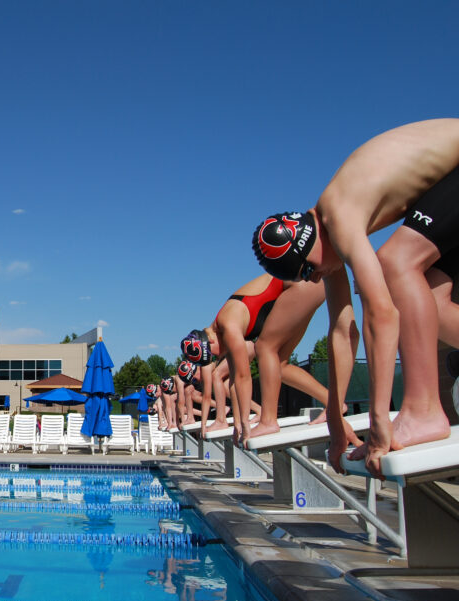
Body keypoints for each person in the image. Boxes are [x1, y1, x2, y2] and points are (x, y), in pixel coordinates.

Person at [251, 119, 459, 476]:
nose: (312, 278)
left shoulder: (339, 212)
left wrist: (380, 418)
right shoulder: (329, 245)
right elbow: (343, 333)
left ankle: (423, 410)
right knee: (431, 303)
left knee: (396, 263)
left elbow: (382, 313)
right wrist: (334, 420)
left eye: (306, 269)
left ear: (307, 241)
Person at [180, 274, 336, 445]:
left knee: (264, 347)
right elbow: (234, 383)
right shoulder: (222, 331)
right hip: (310, 284)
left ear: (210, 340)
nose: (217, 357)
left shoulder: (228, 324)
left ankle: (268, 420)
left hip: (302, 282)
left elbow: (243, 377)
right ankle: (333, 403)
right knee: (279, 366)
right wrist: (238, 424)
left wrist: (246, 423)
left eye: (213, 354)